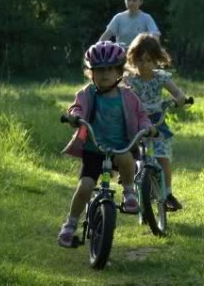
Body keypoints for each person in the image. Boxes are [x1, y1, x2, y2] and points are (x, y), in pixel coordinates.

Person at [57, 41, 158, 248]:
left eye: (109, 69)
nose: (104, 74)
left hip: (120, 147)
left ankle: (129, 192)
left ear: (119, 71)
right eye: (99, 70)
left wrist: (147, 127)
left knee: (126, 158)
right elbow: (76, 107)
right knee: (85, 186)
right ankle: (70, 224)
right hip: (94, 150)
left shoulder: (128, 97)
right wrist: (75, 116)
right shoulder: (87, 94)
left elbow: (141, 116)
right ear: (91, 72)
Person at [124, 33, 188, 211]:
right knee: (127, 153)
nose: (144, 65)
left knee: (163, 158)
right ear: (132, 59)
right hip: (135, 122)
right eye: (140, 60)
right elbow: (119, 92)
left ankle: (167, 193)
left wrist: (179, 100)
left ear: (157, 60)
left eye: (149, 60)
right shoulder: (129, 78)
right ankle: (128, 180)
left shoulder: (161, 77)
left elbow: (178, 94)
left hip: (157, 123)